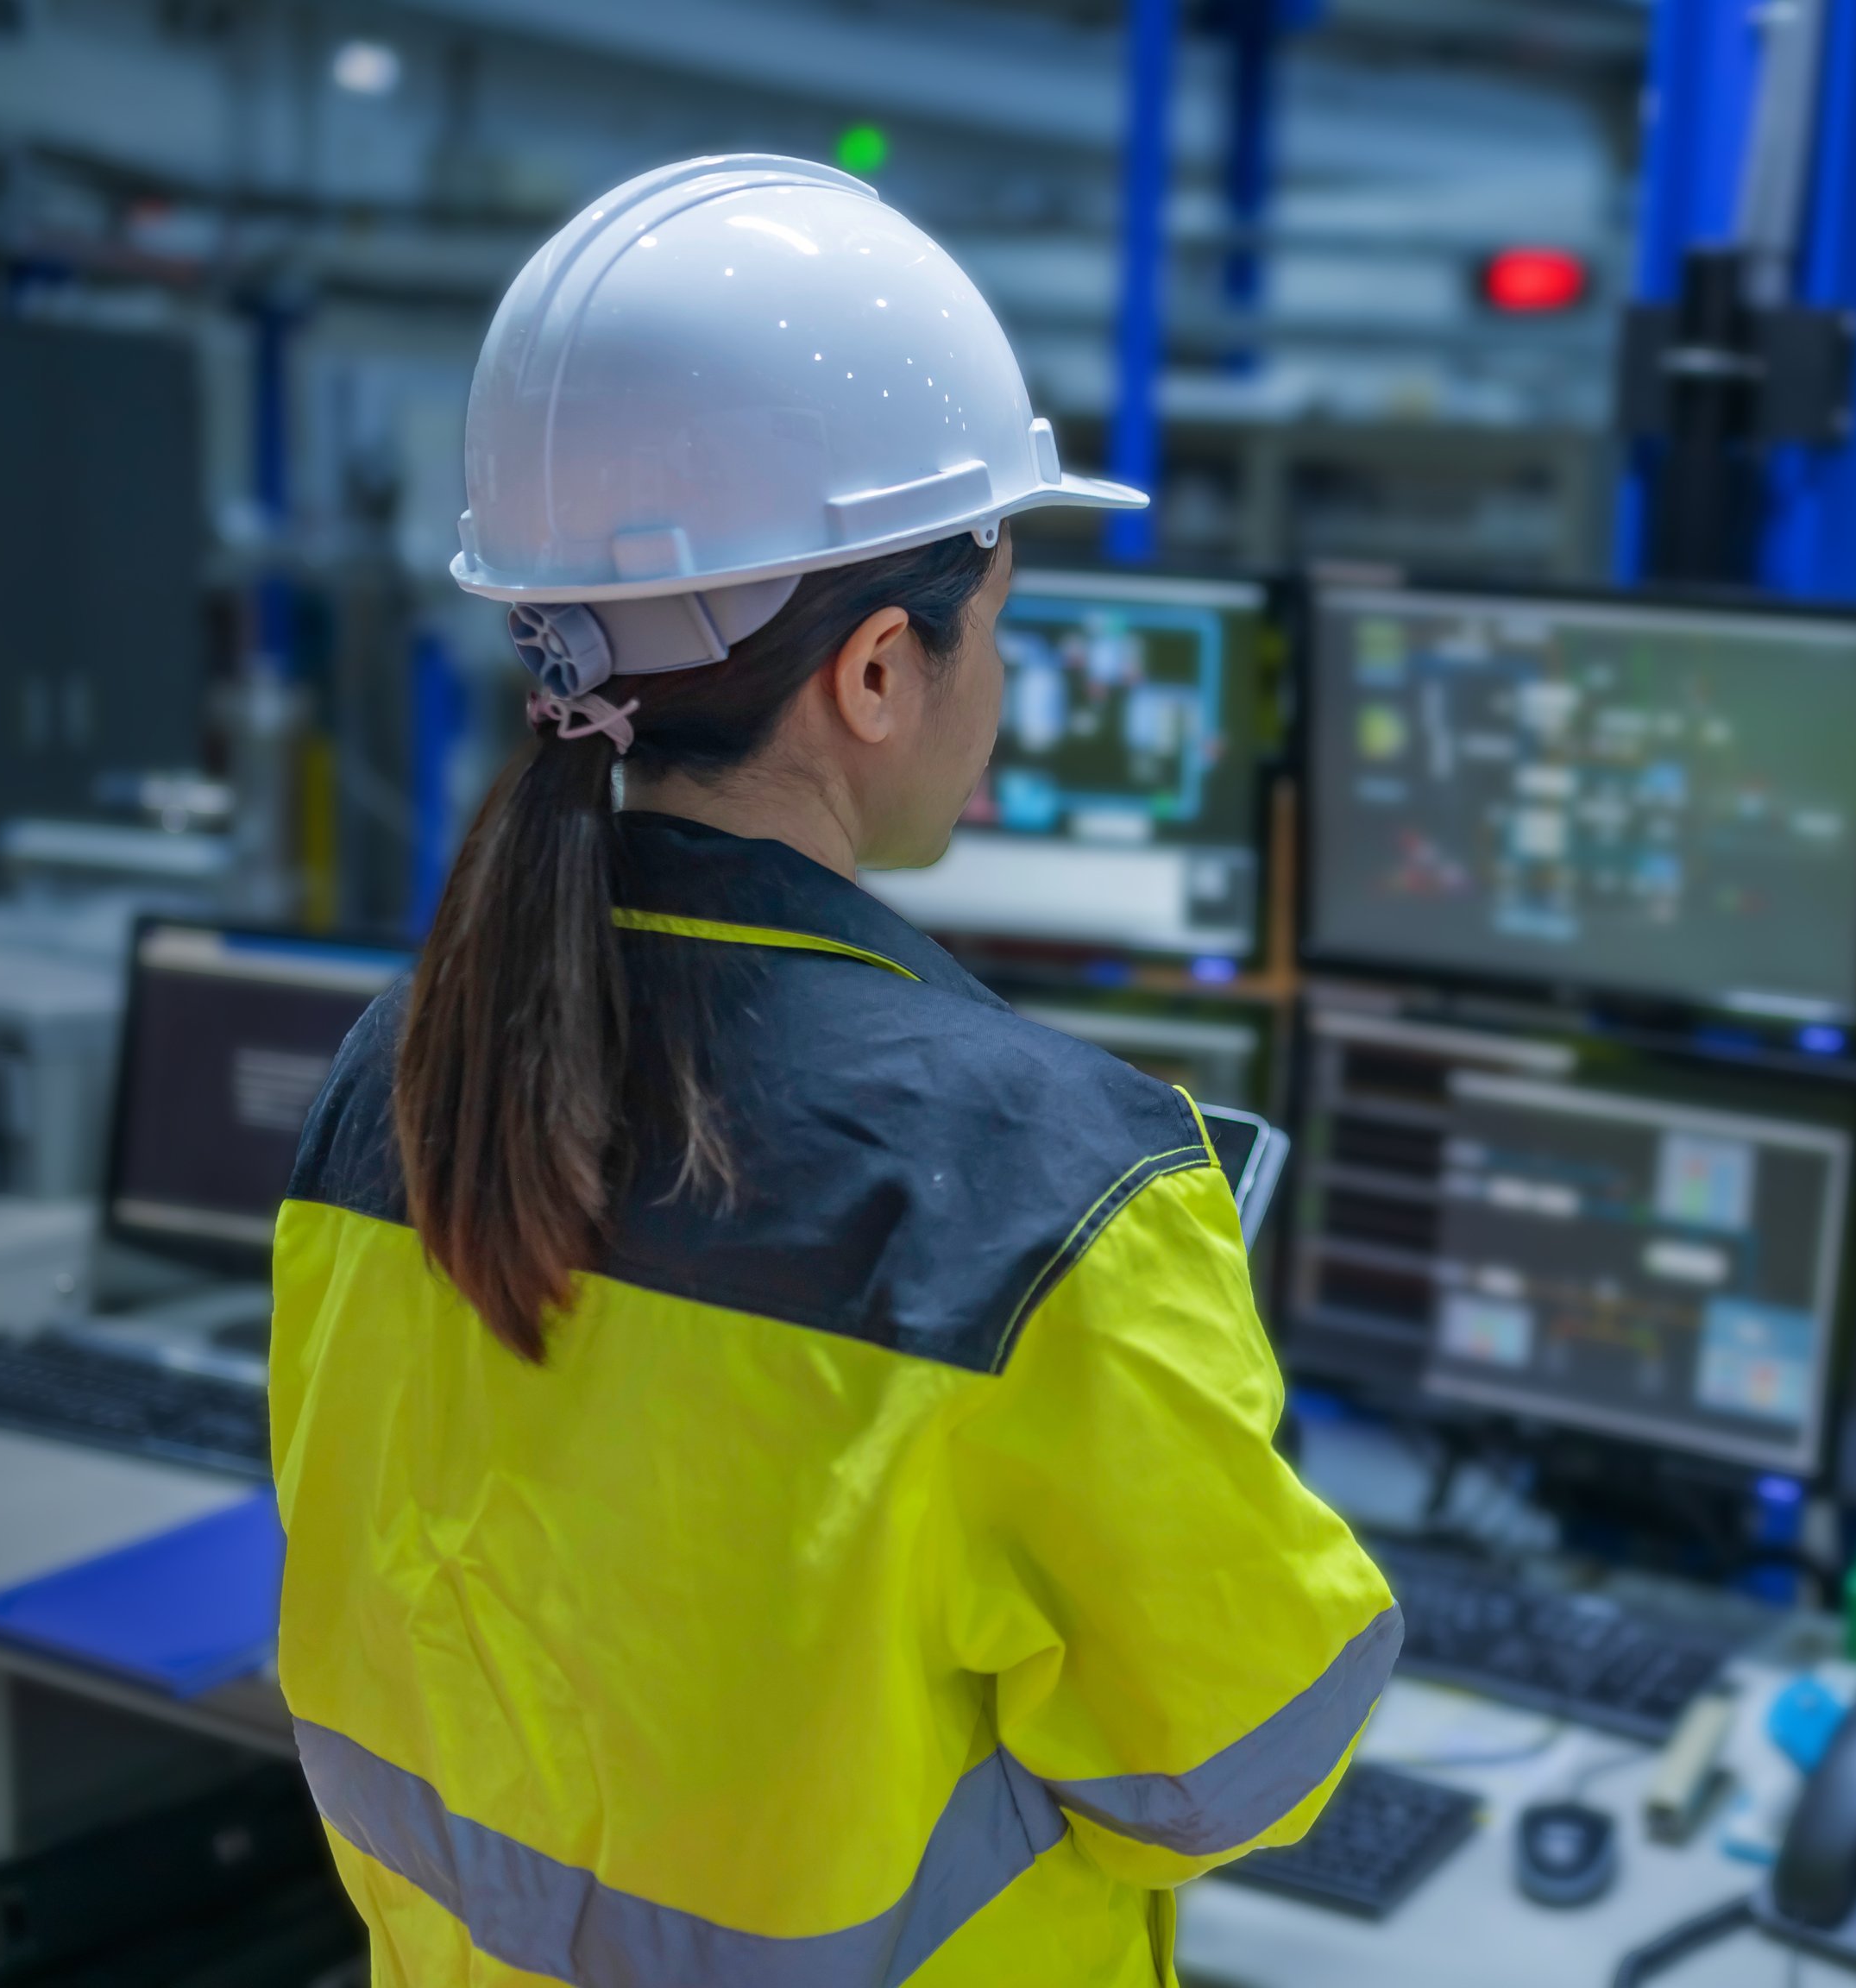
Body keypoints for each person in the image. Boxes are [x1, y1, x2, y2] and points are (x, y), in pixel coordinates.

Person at [269, 156, 1396, 1986]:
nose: (997, 684)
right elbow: (1235, 1767)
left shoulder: (395, 1075)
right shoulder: (1050, 1195)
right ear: (878, 672)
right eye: (996, 625)